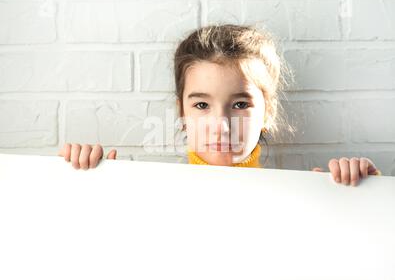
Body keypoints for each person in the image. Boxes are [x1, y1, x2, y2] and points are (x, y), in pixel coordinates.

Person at [58, 24, 381, 186]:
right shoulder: (144, 197)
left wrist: (364, 196)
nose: (221, 124)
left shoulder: (305, 197)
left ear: (267, 112)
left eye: (240, 104)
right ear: (181, 112)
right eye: (201, 106)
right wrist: (82, 181)